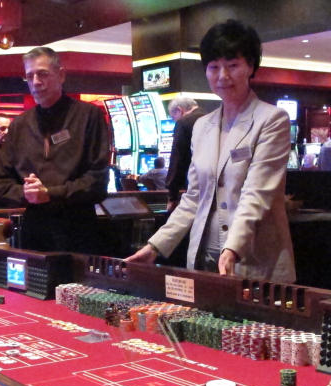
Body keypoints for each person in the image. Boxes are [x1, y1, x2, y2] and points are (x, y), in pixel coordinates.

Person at [125, 20, 296, 283]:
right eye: (214, 67)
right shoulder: (202, 126)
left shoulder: (272, 119)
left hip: (253, 258)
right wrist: (155, 247)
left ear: (251, 67)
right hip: (204, 253)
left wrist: (232, 249)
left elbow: (256, 194)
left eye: (233, 65)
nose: (222, 76)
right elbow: (194, 198)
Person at [0, 47, 110, 253]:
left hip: (78, 230)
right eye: (30, 76)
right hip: (33, 230)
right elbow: (0, 182)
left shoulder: (88, 116)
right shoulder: (20, 124)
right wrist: (27, 193)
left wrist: (51, 194)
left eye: (43, 74)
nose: (36, 82)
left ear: (61, 75)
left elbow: (97, 182)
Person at [165, 95, 201, 211]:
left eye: (172, 117)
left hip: (193, 186)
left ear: (179, 110)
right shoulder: (212, 118)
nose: (174, 120)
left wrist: (172, 195)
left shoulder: (183, 123)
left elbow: (177, 160)